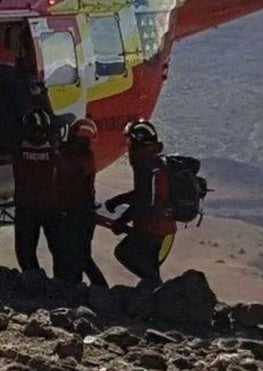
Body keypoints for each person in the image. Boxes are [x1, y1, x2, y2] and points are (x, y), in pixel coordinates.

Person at [104, 119, 176, 290]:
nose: (127, 145)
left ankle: (155, 297)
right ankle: (155, 298)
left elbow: (144, 200)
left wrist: (122, 220)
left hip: (154, 229)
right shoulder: (154, 162)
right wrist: (117, 201)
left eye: (129, 140)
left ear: (137, 141)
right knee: (148, 266)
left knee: (126, 254)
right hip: (163, 228)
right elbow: (144, 194)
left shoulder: (145, 165)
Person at [12, 108, 66, 280]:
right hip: (51, 206)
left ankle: (34, 280)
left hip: (26, 207)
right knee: (58, 248)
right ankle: (61, 282)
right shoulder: (54, 152)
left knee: (25, 250)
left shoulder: (19, 150)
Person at [55, 118, 108, 287]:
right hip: (77, 213)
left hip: (78, 213)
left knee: (80, 256)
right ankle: (69, 284)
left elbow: (67, 170)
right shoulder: (83, 155)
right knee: (70, 253)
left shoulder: (82, 158)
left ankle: (98, 287)